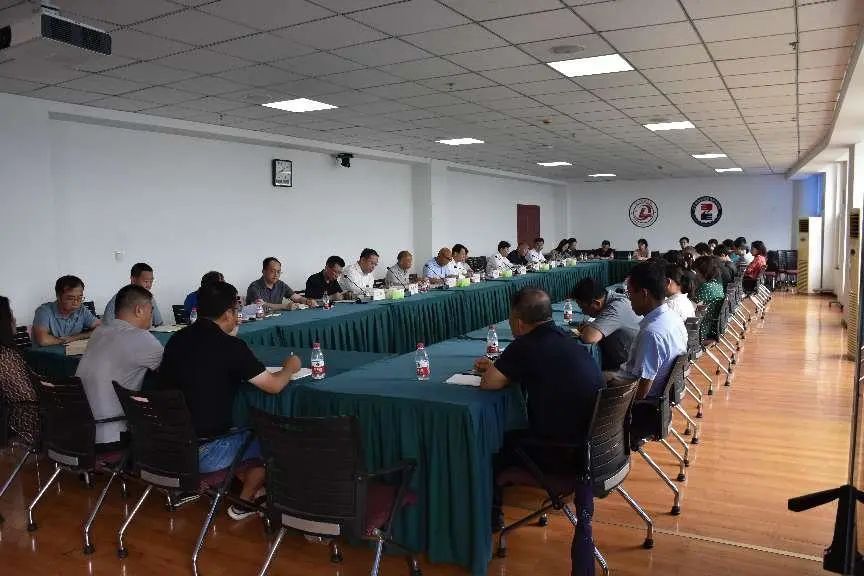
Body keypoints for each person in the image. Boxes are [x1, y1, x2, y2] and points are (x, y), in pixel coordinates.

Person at [472, 287, 603, 575]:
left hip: (563, 453)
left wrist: (495, 370)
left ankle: (492, 519)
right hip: (596, 448)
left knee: (493, 444)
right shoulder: (566, 338)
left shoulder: (526, 345)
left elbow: (489, 383)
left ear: (519, 322)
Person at [160, 281, 301, 520]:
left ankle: (252, 489)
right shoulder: (230, 346)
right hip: (204, 450)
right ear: (228, 313)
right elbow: (274, 386)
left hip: (165, 443)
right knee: (270, 437)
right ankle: (244, 502)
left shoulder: (176, 339)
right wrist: (290, 367)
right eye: (236, 310)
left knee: (238, 432)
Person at [76, 285, 164, 447]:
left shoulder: (99, 332)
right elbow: (171, 372)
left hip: (79, 430)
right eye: (151, 310)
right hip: (110, 434)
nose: (152, 316)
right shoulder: (142, 338)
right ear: (139, 310)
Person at [616, 261, 688, 400]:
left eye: (630, 293)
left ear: (644, 293)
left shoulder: (652, 333)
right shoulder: (673, 317)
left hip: (642, 403)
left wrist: (610, 383)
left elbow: (640, 392)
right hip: (662, 395)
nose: (629, 300)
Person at [573, 277, 641, 372]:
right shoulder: (612, 298)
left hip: (631, 368)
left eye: (583, 308)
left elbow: (589, 338)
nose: (583, 312)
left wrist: (587, 328)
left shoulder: (616, 308)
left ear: (596, 303)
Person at [0, 296, 38, 446]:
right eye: (11, 315)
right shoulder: (6, 357)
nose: (15, 319)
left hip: (14, 416)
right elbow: (28, 396)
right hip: (27, 420)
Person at [32, 275, 101, 346]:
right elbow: (43, 340)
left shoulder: (81, 310)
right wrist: (64, 340)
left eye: (80, 298)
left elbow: (102, 328)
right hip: (45, 352)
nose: (76, 302)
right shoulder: (44, 311)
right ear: (58, 297)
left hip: (71, 351)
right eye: (71, 298)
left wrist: (74, 338)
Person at [246, 257, 316, 310]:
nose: (276, 274)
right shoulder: (254, 287)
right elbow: (260, 306)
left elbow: (296, 297)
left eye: (278, 272)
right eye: (272, 271)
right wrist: (285, 306)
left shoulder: (281, 284)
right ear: (263, 271)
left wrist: (307, 301)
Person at [692, 256, 726, 342]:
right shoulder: (717, 283)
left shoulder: (706, 287)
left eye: (697, 272)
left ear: (703, 272)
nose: (695, 275)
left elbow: (693, 308)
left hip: (703, 329)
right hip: (713, 325)